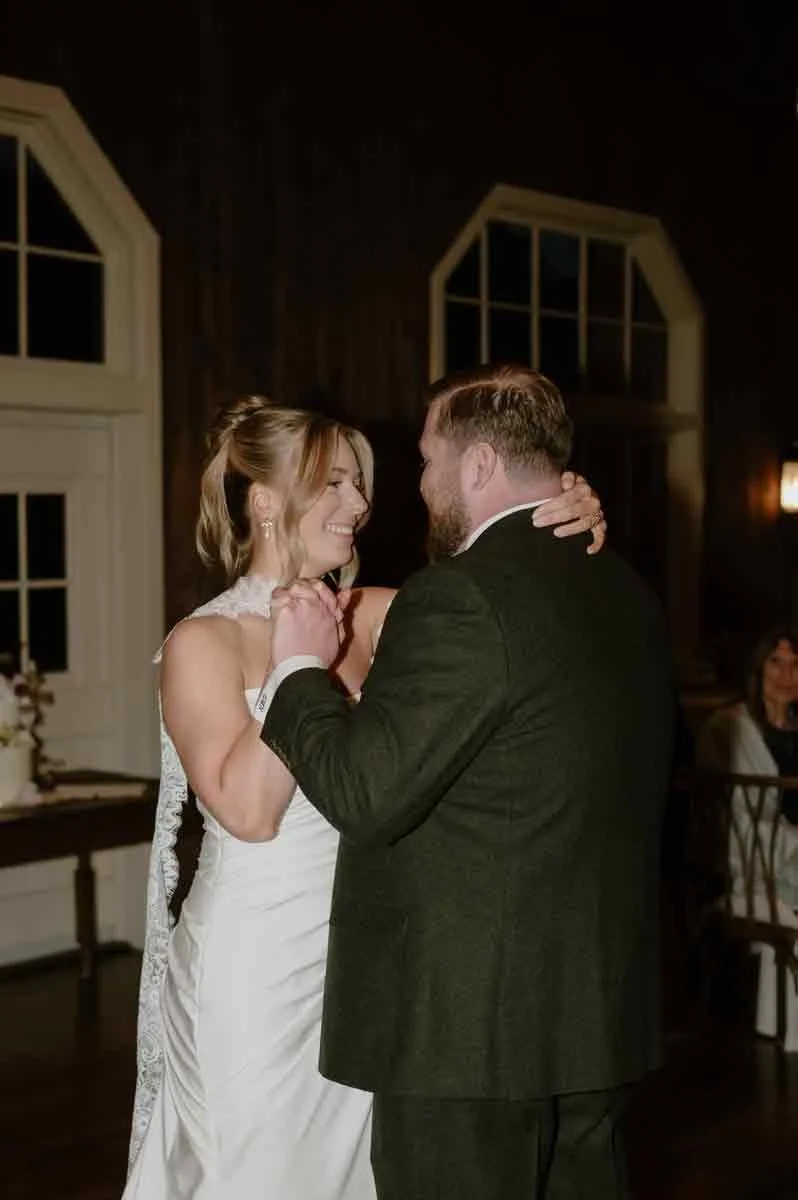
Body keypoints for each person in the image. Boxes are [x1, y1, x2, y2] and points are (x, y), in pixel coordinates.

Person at [122, 391, 606, 1199]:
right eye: (336, 484)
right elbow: (247, 812)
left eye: (361, 483)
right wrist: (292, 668)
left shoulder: (372, 614)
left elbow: (500, 608)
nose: (360, 503)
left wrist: (558, 513)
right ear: (268, 503)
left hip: (359, 959)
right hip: (256, 967)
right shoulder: (201, 642)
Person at [260, 365, 674, 1200]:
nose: (415, 486)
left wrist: (298, 670)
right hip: (593, 1015)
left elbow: (366, 795)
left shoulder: (459, 598)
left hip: (470, 1034)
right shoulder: (623, 584)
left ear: (479, 465)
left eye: (424, 461)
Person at [695, 626, 798, 1048]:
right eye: (776, 662)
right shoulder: (730, 727)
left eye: (796, 665)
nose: (786, 674)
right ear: (758, 668)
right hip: (758, 862)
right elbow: (735, 812)